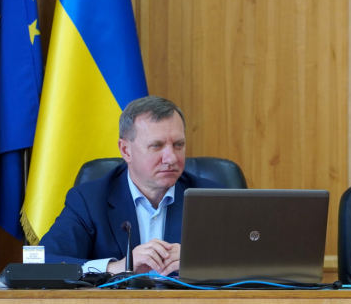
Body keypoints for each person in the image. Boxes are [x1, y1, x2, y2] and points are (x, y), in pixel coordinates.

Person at [40, 96, 222, 276]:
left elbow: (240, 264)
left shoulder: (213, 199)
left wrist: (199, 263)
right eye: (156, 146)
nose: (171, 158)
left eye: (178, 145)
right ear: (126, 150)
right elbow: (41, 262)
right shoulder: (89, 200)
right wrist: (115, 268)